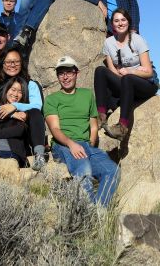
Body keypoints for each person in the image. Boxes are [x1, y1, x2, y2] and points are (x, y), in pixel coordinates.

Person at [43, 56, 120, 207]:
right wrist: (71, 144)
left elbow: (93, 124)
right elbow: (55, 129)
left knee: (112, 171)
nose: (65, 77)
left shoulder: (87, 95)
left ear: (76, 73)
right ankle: (89, 215)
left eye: (69, 72)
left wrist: (91, 143)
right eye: (61, 73)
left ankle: (98, 213)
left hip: (86, 145)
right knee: (84, 170)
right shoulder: (52, 99)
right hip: (63, 144)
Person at [94, 9, 158, 141]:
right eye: (116, 21)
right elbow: (112, 70)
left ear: (128, 22)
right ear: (112, 24)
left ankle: (122, 126)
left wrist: (131, 71)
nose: (120, 23)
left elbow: (149, 72)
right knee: (100, 70)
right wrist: (122, 74)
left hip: (144, 84)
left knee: (128, 78)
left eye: (123, 20)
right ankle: (101, 115)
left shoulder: (138, 40)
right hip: (125, 83)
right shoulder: (109, 43)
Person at [0, 45, 46, 170]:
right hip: (0, 124)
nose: (12, 65)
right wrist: (12, 113)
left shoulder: (31, 84)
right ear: (2, 64)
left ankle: (39, 154)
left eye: (16, 61)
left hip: (23, 128)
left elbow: (37, 106)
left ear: (22, 63)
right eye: (8, 61)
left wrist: (14, 106)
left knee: (35, 113)